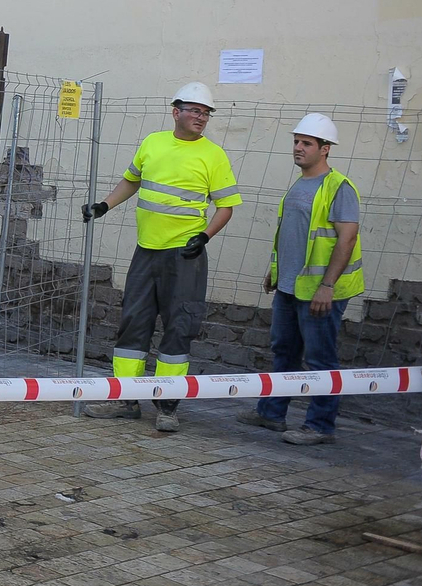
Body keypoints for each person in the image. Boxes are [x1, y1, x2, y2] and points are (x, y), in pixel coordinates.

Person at [81, 82, 242, 432]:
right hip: (146, 252)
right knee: (133, 325)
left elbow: (226, 207)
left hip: (185, 256)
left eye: (206, 113)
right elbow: (131, 181)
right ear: (176, 111)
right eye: (195, 111)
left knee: (178, 329)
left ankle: (167, 406)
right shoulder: (152, 143)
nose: (201, 117)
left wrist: (203, 237)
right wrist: (104, 205)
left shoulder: (213, 155)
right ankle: (125, 400)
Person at [237, 114, 361, 445]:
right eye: (296, 141)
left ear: (325, 149)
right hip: (291, 286)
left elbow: (346, 239)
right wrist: (275, 272)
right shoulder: (299, 184)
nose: (298, 148)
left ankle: (320, 426)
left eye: (306, 143)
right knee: (284, 352)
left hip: (321, 291)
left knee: (320, 358)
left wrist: (328, 286)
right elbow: (292, 235)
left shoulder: (338, 188)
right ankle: (271, 414)